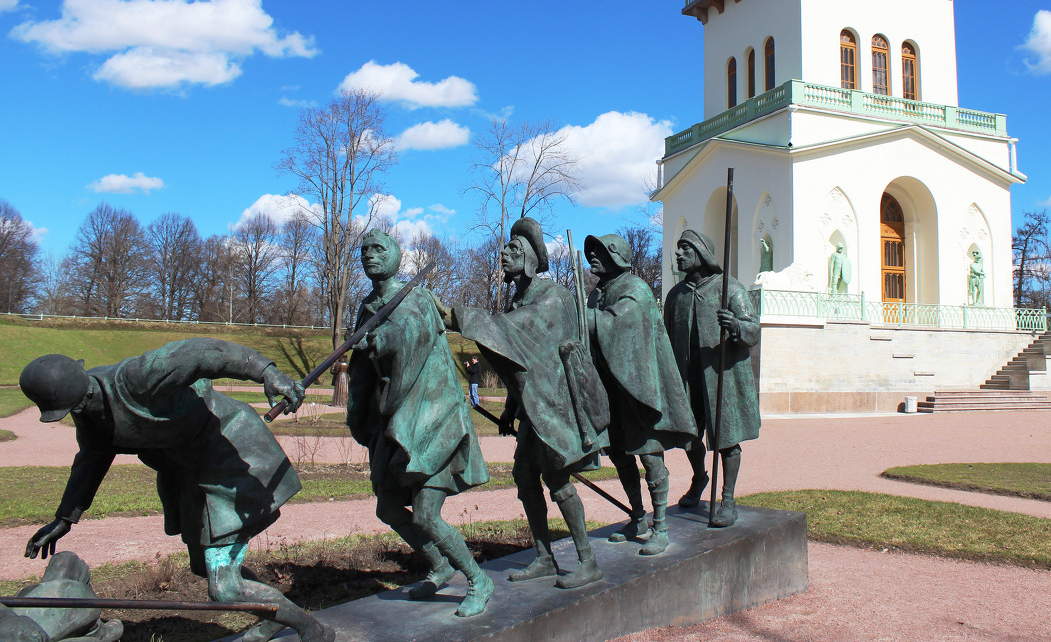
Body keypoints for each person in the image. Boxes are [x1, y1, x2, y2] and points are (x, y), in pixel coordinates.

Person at [18, 339, 333, 642]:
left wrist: (268, 372)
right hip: (189, 471)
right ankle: (270, 616)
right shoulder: (88, 411)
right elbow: (92, 458)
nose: (81, 411)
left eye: (79, 403)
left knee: (223, 588)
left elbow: (203, 352)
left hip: (231, 455)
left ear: (85, 390)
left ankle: (313, 630)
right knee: (203, 566)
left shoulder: (138, 377)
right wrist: (65, 519)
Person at [436, 217, 610, 589]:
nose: (503, 253)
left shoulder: (554, 297)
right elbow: (520, 361)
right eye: (505, 247)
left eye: (513, 249)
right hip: (535, 410)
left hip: (557, 408)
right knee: (525, 476)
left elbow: (521, 333)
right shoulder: (520, 298)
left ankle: (587, 560)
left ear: (530, 258)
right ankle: (545, 557)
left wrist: (459, 317)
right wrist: (512, 408)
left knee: (559, 480)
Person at [346, 228, 492, 618]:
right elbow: (360, 369)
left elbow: (413, 333)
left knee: (427, 514)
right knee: (390, 510)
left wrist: (378, 340)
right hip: (392, 421)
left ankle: (479, 579)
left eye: (379, 249)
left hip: (430, 419)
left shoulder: (416, 297)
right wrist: (358, 411)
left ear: (395, 256)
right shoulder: (366, 307)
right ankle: (439, 565)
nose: (369, 256)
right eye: (364, 250)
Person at [584, 233, 696, 556]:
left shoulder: (635, 289)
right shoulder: (595, 295)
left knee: (649, 454)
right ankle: (638, 517)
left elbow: (621, 322)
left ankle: (660, 526)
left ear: (617, 256)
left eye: (601, 252)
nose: (593, 257)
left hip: (640, 391)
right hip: (612, 389)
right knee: (619, 454)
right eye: (592, 252)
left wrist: (588, 318)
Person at [664, 229, 762, 528]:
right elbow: (666, 338)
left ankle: (728, 499)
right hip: (688, 376)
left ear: (701, 254)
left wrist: (735, 326)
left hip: (722, 377)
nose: (678, 255)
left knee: (726, 439)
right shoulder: (675, 296)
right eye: (678, 249)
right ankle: (699, 477)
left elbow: (753, 330)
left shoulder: (730, 290)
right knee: (690, 434)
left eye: (684, 249)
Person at [0, 552, 122, 642]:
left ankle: (94, 628)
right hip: (38, 630)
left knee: (66, 560)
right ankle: (97, 631)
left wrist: (7, 619)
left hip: (27, 616)